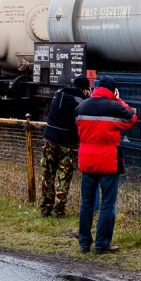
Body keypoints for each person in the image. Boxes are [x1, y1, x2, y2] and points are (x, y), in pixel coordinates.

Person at [75, 75, 137, 254]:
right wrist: (118, 99)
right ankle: (102, 244)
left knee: (86, 203)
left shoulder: (81, 107)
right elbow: (132, 119)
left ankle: (84, 243)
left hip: (87, 162)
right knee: (108, 203)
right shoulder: (114, 106)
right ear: (112, 91)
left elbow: (77, 126)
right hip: (108, 163)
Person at [40, 75, 91, 218]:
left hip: (49, 139)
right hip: (68, 144)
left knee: (47, 174)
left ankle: (45, 209)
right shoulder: (82, 102)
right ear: (85, 89)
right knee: (64, 176)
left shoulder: (59, 94)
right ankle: (59, 210)